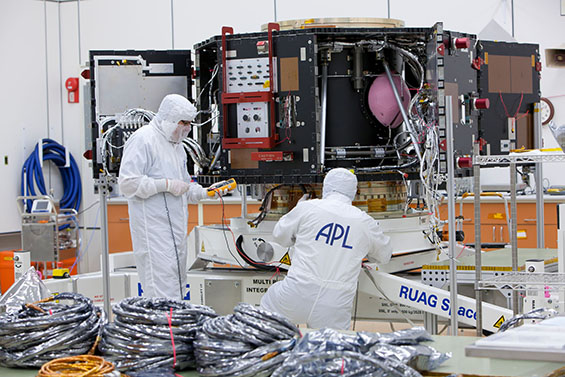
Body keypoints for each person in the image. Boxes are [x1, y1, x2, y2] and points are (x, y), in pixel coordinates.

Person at [261, 168, 392, 330]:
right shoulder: (365, 222)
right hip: (335, 304)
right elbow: (384, 256)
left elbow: (280, 236)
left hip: (296, 293)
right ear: (354, 192)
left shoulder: (307, 208)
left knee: (266, 319)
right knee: (331, 349)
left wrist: (297, 211)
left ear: (326, 187)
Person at [118, 94, 219, 300]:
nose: (186, 128)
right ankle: (164, 332)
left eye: (189, 124)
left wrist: (206, 192)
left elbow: (183, 187)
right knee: (161, 295)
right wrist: (164, 185)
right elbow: (127, 183)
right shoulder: (143, 139)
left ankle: (175, 330)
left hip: (176, 233)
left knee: (177, 291)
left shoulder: (177, 147)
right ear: (168, 119)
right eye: (183, 123)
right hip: (153, 233)